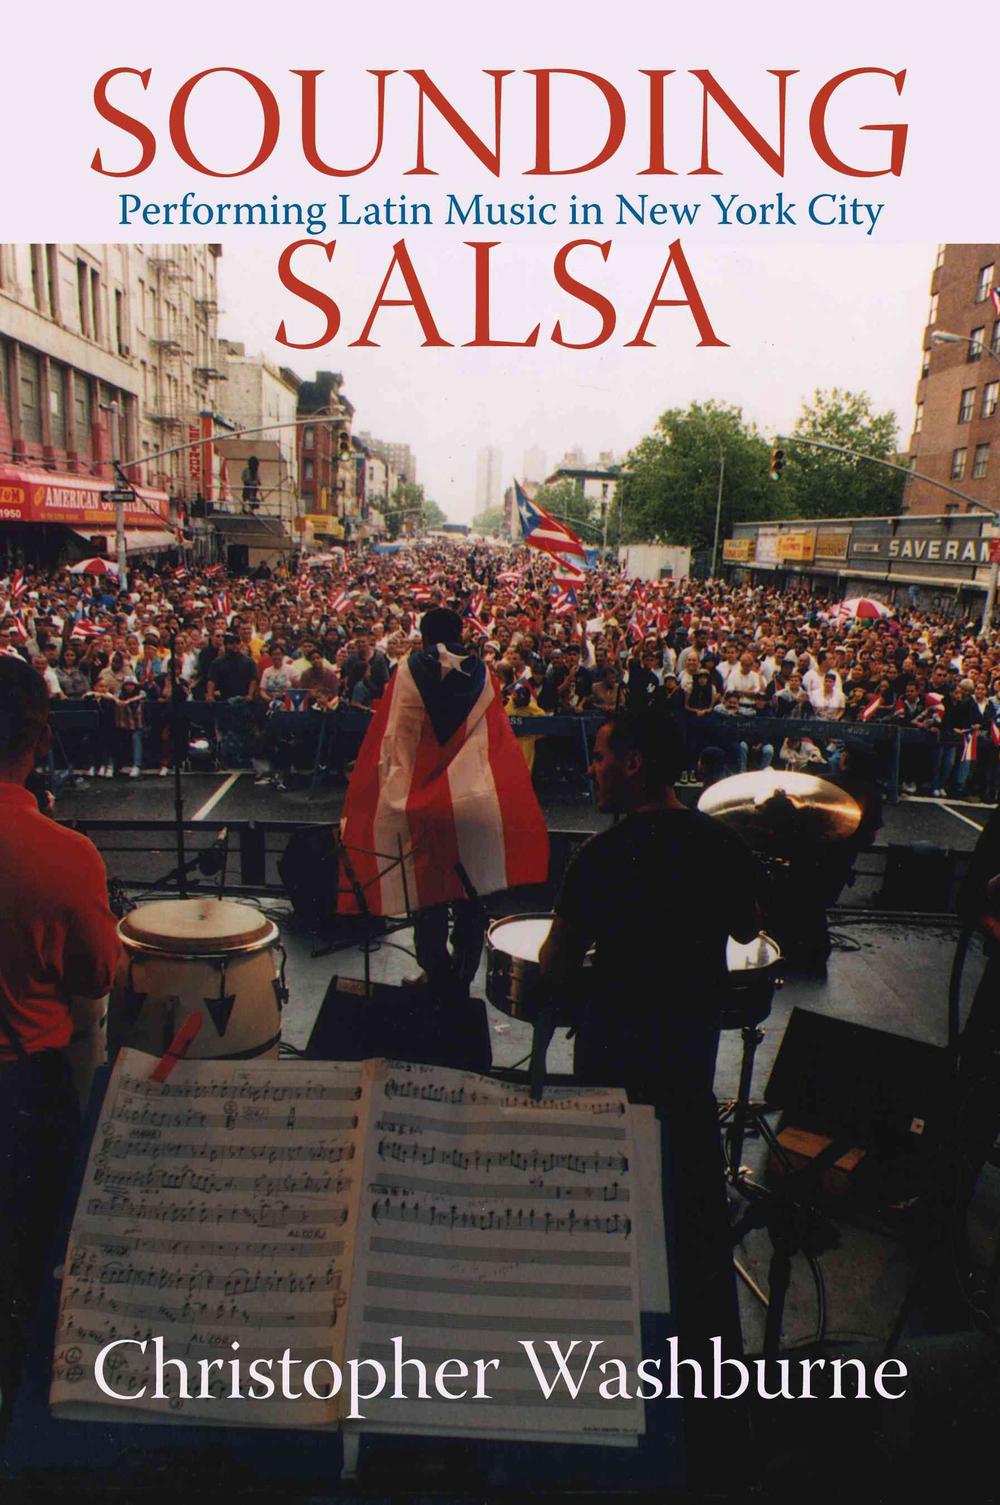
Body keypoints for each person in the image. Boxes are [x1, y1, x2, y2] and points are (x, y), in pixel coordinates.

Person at [538, 710, 763, 1356]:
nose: (592, 767)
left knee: (609, 1232)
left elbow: (554, 966)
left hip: (612, 1084)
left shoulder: (600, 856)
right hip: (688, 1076)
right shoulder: (720, 845)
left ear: (634, 763)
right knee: (692, 1232)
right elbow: (750, 929)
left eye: (603, 756)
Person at [0, 657, 122, 1409]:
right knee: (26, 1259)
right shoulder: (67, 856)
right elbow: (96, 977)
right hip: (24, 1090)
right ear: (39, 738)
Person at [340, 606, 549, 1023]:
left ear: (422, 633)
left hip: (425, 807)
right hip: (474, 802)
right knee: (472, 898)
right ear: (460, 634)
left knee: (429, 896)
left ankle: (436, 976)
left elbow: (392, 739)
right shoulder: (485, 676)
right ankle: (461, 977)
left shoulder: (405, 671)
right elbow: (499, 741)